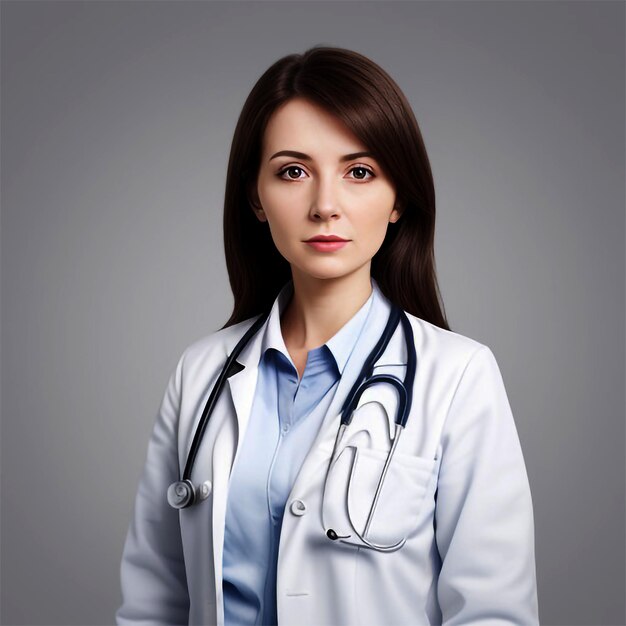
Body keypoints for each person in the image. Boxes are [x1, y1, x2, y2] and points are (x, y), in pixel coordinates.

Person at [116, 45, 539, 626]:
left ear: (398, 201)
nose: (325, 206)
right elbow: (151, 603)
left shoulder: (459, 376)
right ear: (256, 199)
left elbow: (494, 613)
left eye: (359, 172)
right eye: (293, 172)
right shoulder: (201, 372)